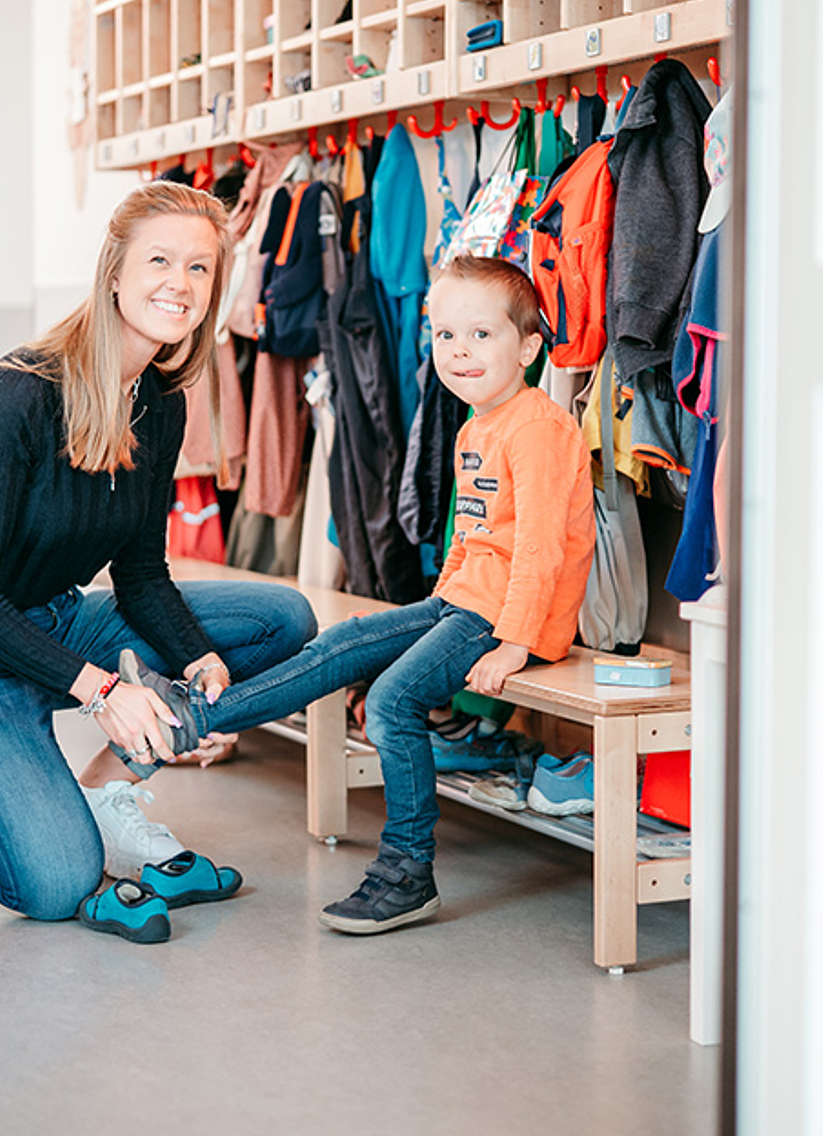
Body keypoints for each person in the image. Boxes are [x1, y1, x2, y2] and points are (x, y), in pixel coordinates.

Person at [0, 182, 317, 942]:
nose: (178, 285)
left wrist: (201, 661)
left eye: (199, 268)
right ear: (113, 271)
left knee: (280, 620)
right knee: (57, 883)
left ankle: (104, 792)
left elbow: (142, 574)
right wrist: (104, 691)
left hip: (57, 622)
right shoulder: (15, 394)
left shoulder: (162, 399)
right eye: (160, 261)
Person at [126, 255, 595, 935]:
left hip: (504, 619)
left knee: (392, 698)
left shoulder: (538, 426)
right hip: (466, 604)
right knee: (340, 644)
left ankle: (408, 870)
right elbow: (469, 540)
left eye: (481, 336)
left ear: (529, 346)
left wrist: (518, 641)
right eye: (445, 337)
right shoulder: (475, 426)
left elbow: (541, 545)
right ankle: (195, 717)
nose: (459, 352)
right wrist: (433, 609)